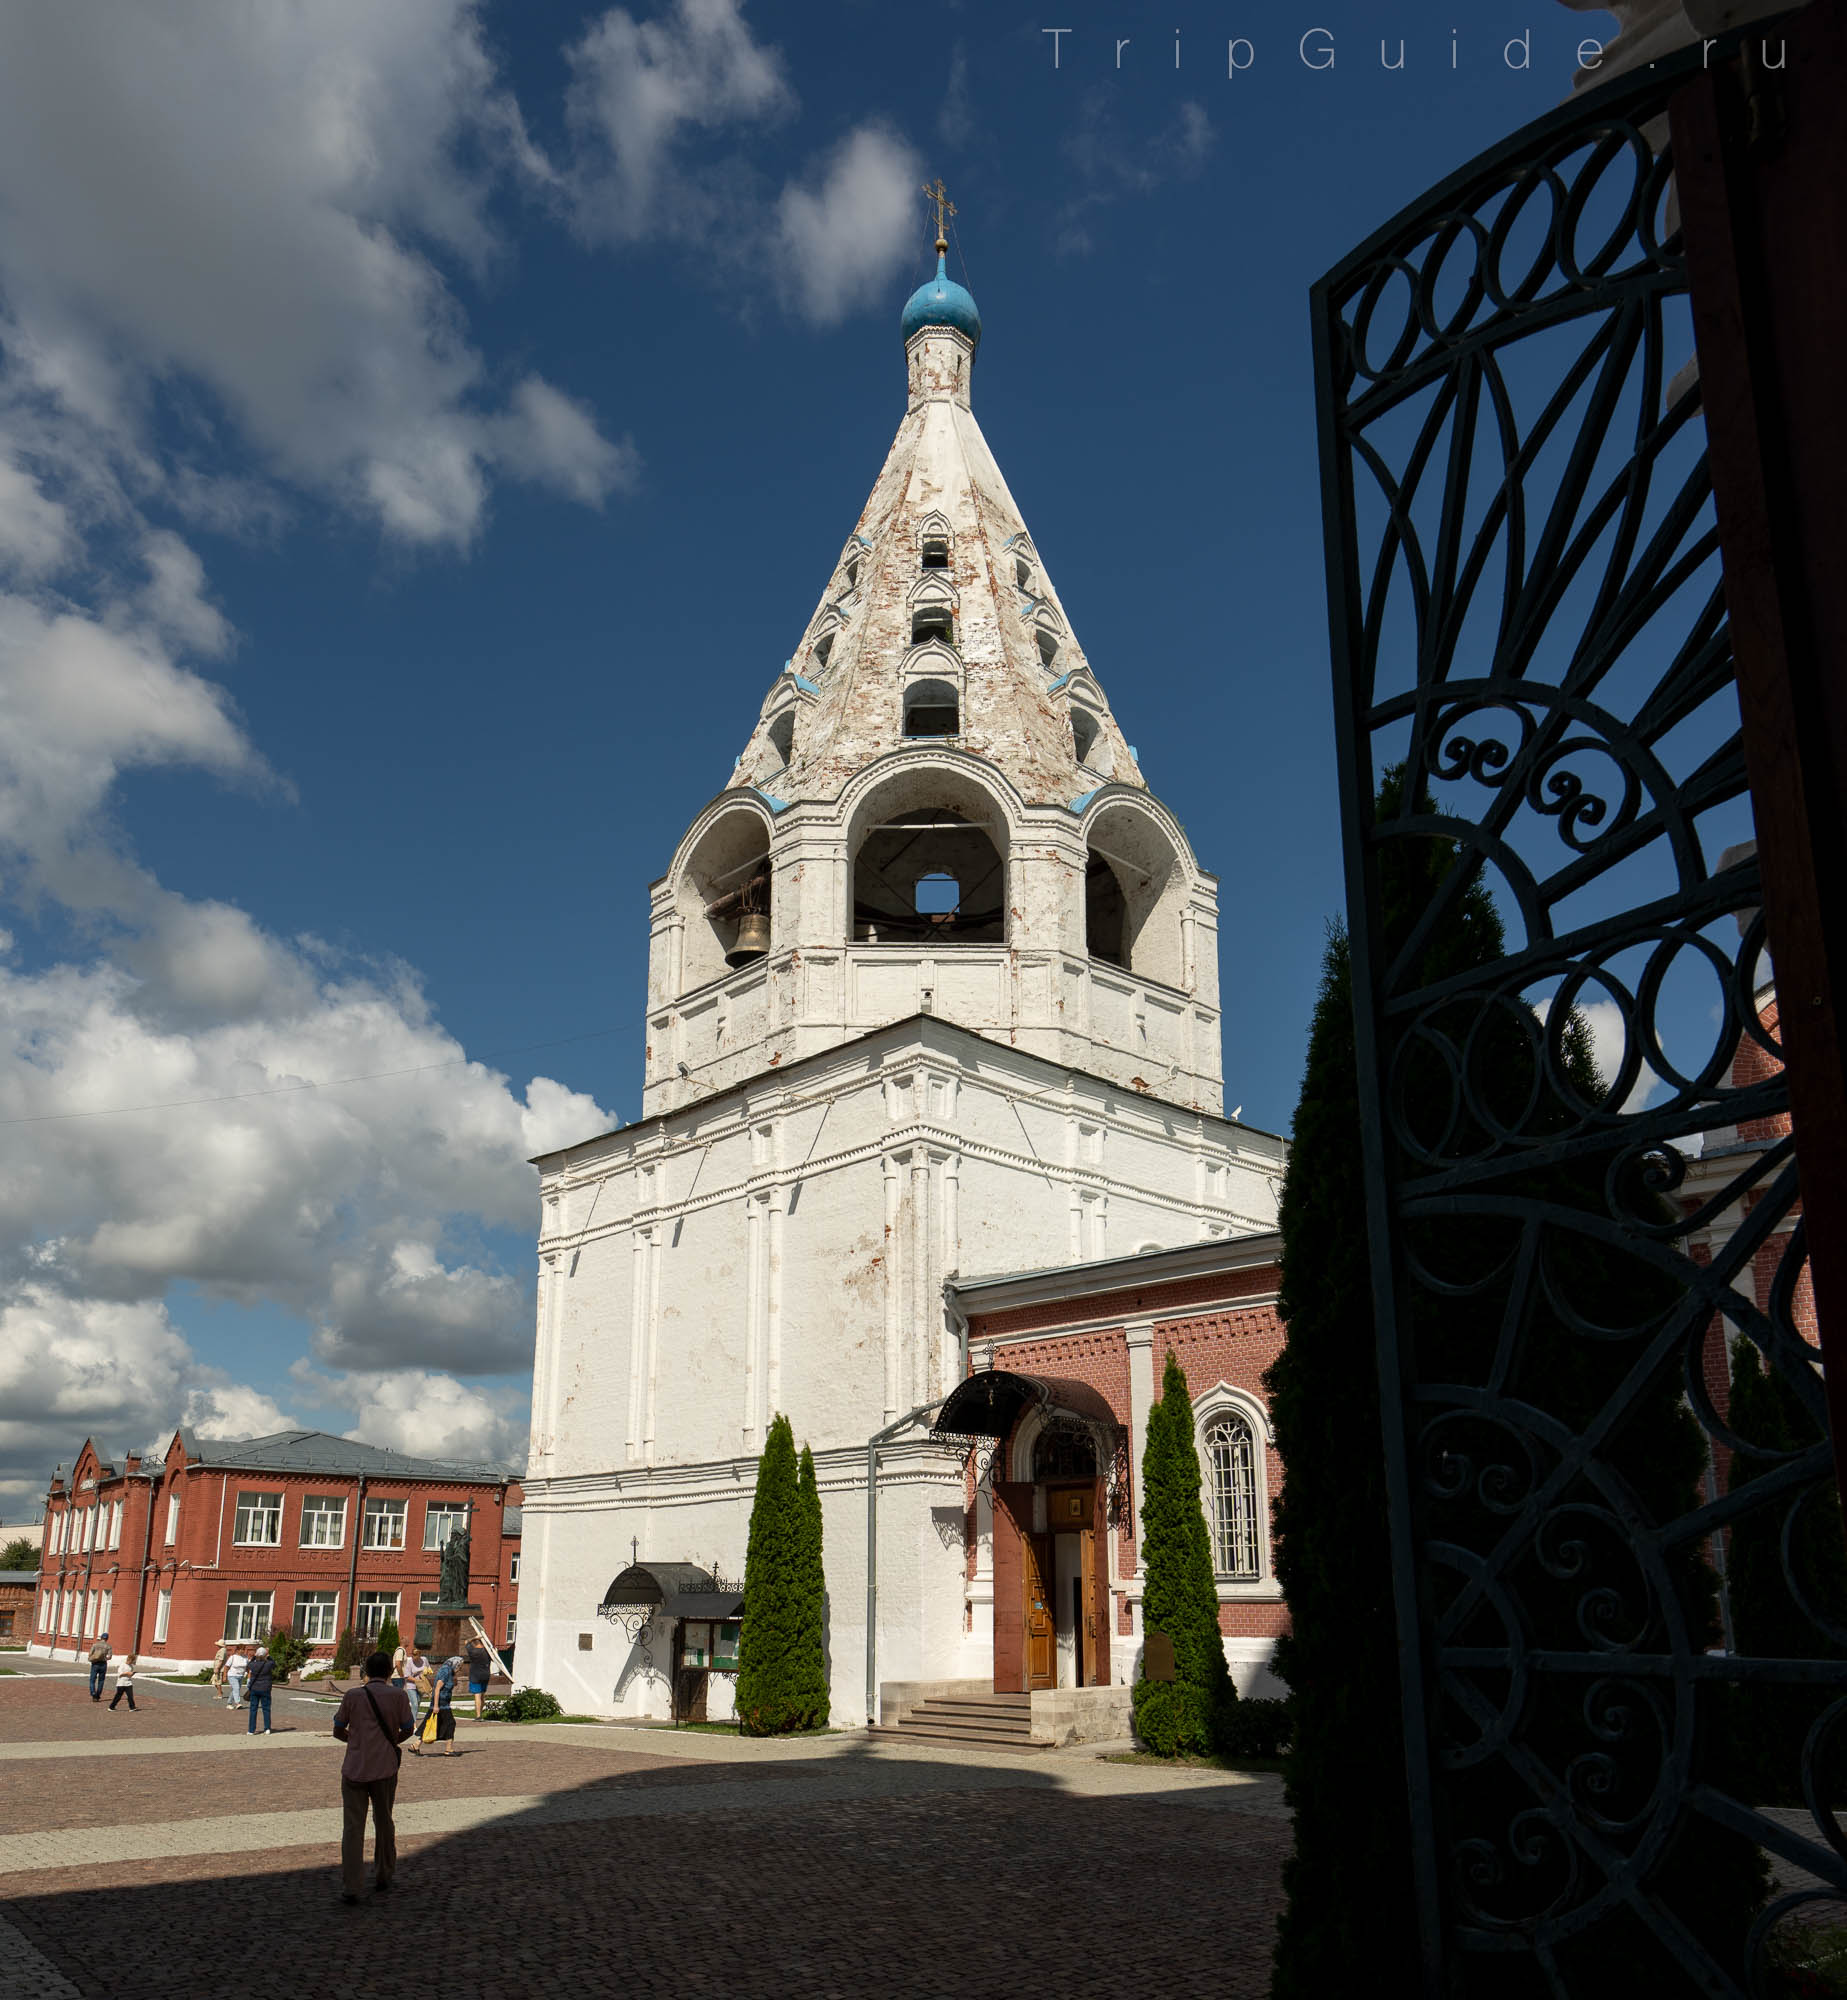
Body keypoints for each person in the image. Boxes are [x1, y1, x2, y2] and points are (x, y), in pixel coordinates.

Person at [331, 1648, 414, 1905]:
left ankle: (352, 1886)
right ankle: (383, 1874)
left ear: (366, 1671)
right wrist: (390, 1742)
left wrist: (354, 1740)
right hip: (385, 1768)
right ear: (390, 1671)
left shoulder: (353, 1695)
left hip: (355, 1767)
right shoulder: (398, 1695)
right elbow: (409, 1728)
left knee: (353, 1828)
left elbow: (337, 1729)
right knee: (384, 1821)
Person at [432, 1652, 459, 1755]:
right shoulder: (446, 1671)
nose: (459, 1669)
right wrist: (435, 1705)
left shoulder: (448, 1670)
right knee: (451, 1723)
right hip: (441, 1704)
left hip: (443, 1703)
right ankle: (448, 1749)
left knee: (434, 1724)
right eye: (459, 1666)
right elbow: (437, 1688)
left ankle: (416, 1745)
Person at [246, 1643, 274, 1735]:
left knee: (253, 1709)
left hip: (254, 1688)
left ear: (257, 1655)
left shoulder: (253, 1665)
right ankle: (267, 1728)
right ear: (265, 1655)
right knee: (266, 1708)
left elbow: (249, 1664)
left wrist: (254, 1657)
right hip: (265, 1688)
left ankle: (251, 1730)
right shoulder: (268, 1664)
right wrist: (268, 1655)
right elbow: (274, 1663)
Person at [465, 1634, 493, 1720]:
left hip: (475, 1675)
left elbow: (466, 1641)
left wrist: (474, 1637)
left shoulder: (472, 1651)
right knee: (482, 1696)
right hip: (485, 1674)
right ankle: (481, 1713)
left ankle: (478, 1716)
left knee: (477, 1695)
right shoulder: (487, 1652)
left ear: (475, 1643)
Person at [87, 1632, 111, 1702]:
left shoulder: (95, 1645)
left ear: (101, 1638)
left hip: (95, 1664)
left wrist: (94, 1657)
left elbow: (90, 1654)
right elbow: (109, 1657)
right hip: (103, 1664)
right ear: (107, 1638)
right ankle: (98, 1695)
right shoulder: (108, 1646)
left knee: (92, 1680)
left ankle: (93, 1693)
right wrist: (105, 1658)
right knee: (101, 1680)